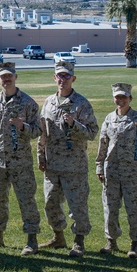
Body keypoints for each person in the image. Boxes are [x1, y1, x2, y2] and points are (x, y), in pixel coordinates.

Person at [0, 62, 42, 255]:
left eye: (10, 76)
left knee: (26, 199)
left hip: (21, 161)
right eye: (3, 77)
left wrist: (23, 127)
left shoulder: (28, 103)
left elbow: (38, 131)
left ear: (16, 77)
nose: (6, 79)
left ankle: (32, 239)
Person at [37, 61, 98, 257]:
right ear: (55, 78)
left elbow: (91, 133)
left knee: (77, 205)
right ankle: (58, 236)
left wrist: (74, 124)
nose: (62, 80)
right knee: (50, 203)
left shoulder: (81, 104)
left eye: (66, 76)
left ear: (73, 78)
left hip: (74, 165)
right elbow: (42, 132)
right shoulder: (48, 102)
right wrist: (40, 155)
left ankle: (79, 241)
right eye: (59, 76)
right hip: (52, 164)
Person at [94, 83, 137, 258]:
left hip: (132, 171)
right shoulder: (109, 119)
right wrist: (99, 166)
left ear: (130, 98)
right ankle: (111, 241)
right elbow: (103, 144)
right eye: (117, 97)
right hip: (111, 170)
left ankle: (136, 244)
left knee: (134, 208)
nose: (120, 100)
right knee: (110, 208)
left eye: (124, 97)